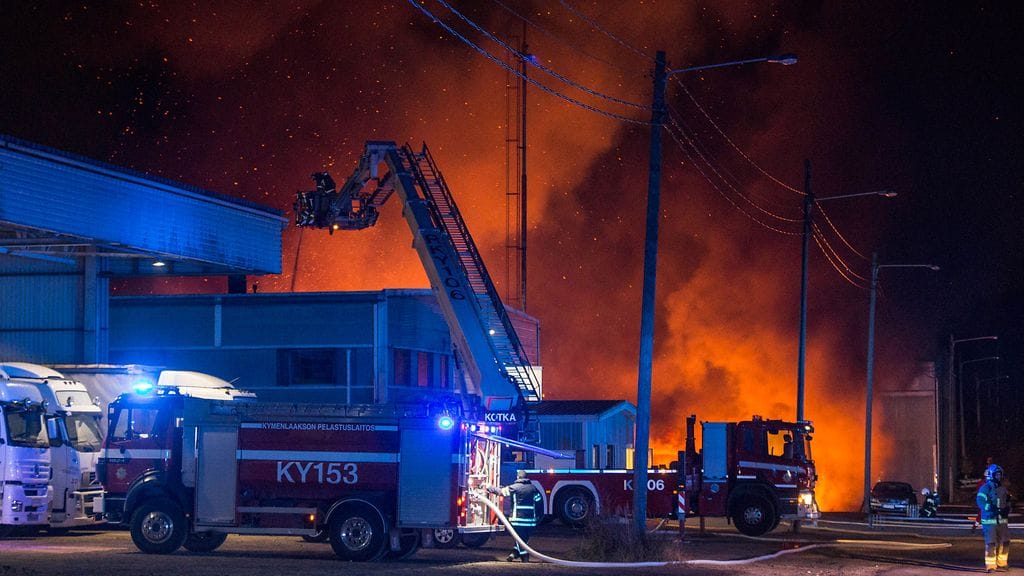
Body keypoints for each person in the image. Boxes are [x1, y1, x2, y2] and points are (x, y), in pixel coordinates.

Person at [487, 470, 542, 562]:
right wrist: (538, 516)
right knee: (523, 539)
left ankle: (525, 558)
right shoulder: (533, 488)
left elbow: (501, 492)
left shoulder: (514, 488)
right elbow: (539, 502)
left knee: (520, 540)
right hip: (531, 520)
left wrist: (489, 487)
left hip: (518, 519)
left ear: (518, 477)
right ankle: (514, 553)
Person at [977, 463, 1011, 572]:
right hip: (989, 520)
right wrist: (990, 507)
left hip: (1002, 520)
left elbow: (1008, 502)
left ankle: (1002, 562)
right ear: (992, 475)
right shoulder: (985, 488)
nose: (999, 477)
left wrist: (1008, 509)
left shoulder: (1003, 489)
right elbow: (980, 501)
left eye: (1000, 475)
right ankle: (991, 566)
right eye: (997, 475)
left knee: (1005, 542)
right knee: (991, 543)